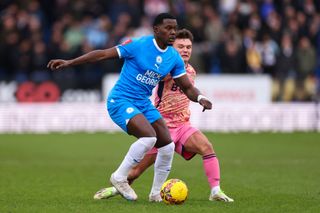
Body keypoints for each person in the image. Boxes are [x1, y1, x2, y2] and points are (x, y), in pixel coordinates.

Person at [47, 13, 212, 202]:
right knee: (149, 137)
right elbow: (102, 54)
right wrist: (70, 62)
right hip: (121, 100)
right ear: (156, 30)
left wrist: (200, 98)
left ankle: (155, 194)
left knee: (167, 146)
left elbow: (187, 87)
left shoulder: (173, 57)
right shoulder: (138, 45)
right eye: (168, 28)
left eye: (174, 28)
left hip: (142, 103)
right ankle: (119, 177)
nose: (173, 32)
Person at [93, 29, 233, 202]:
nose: (185, 50)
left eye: (188, 47)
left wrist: (200, 98)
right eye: (180, 46)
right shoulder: (166, 67)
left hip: (182, 125)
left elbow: (189, 90)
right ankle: (114, 189)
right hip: (161, 125)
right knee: (136, 172)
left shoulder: (190, 71)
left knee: (207, 147)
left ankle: (215, 191)